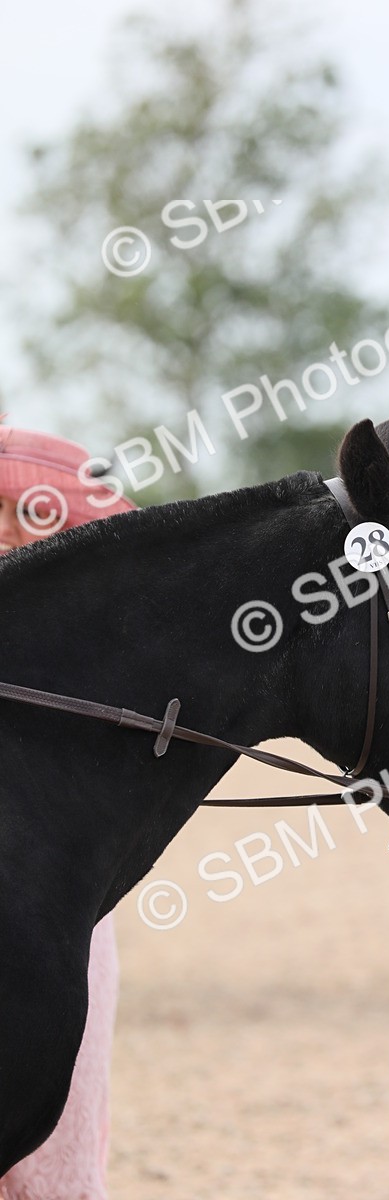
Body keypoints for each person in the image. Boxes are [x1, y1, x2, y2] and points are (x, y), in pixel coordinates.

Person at [0, 420, 135, 1200]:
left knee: (62, 1128)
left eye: (22, 513)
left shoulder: (88, 636)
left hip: (59, 911)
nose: (7, 531)